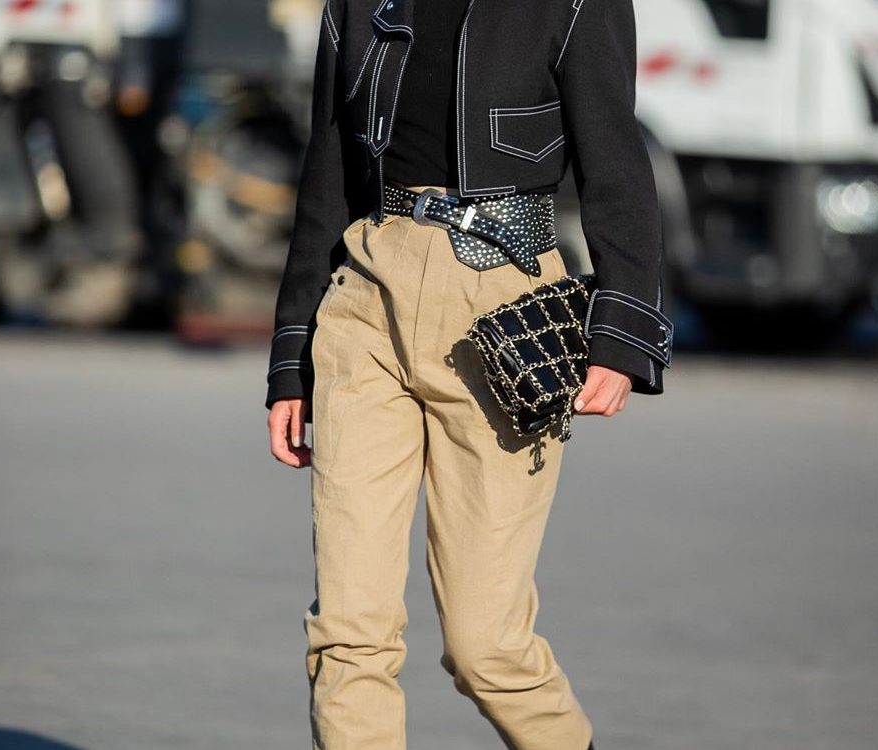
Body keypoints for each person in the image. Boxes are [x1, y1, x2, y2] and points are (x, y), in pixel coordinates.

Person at [265, 0, 673, 748]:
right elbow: (326, 172)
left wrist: (621, 336)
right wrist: (292, 357)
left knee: (487, 648)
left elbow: (617, 163)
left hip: (505, 312)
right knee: (348, 635)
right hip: (366, 302)